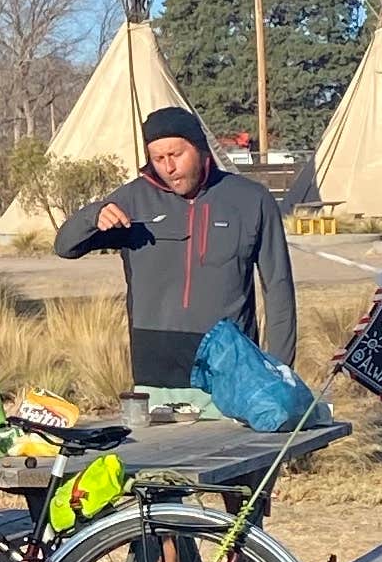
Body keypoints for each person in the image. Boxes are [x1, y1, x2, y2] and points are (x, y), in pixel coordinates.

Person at [54, 105, 296, 394]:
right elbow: (65, 247)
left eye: (176, 155)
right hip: (156, 371)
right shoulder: (133, 199)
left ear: (201, 149)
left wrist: (280, 369)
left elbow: (278, 286)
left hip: (233, 369)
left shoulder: (251, 199)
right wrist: (93, 215)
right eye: (158, 158)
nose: (168, 167)